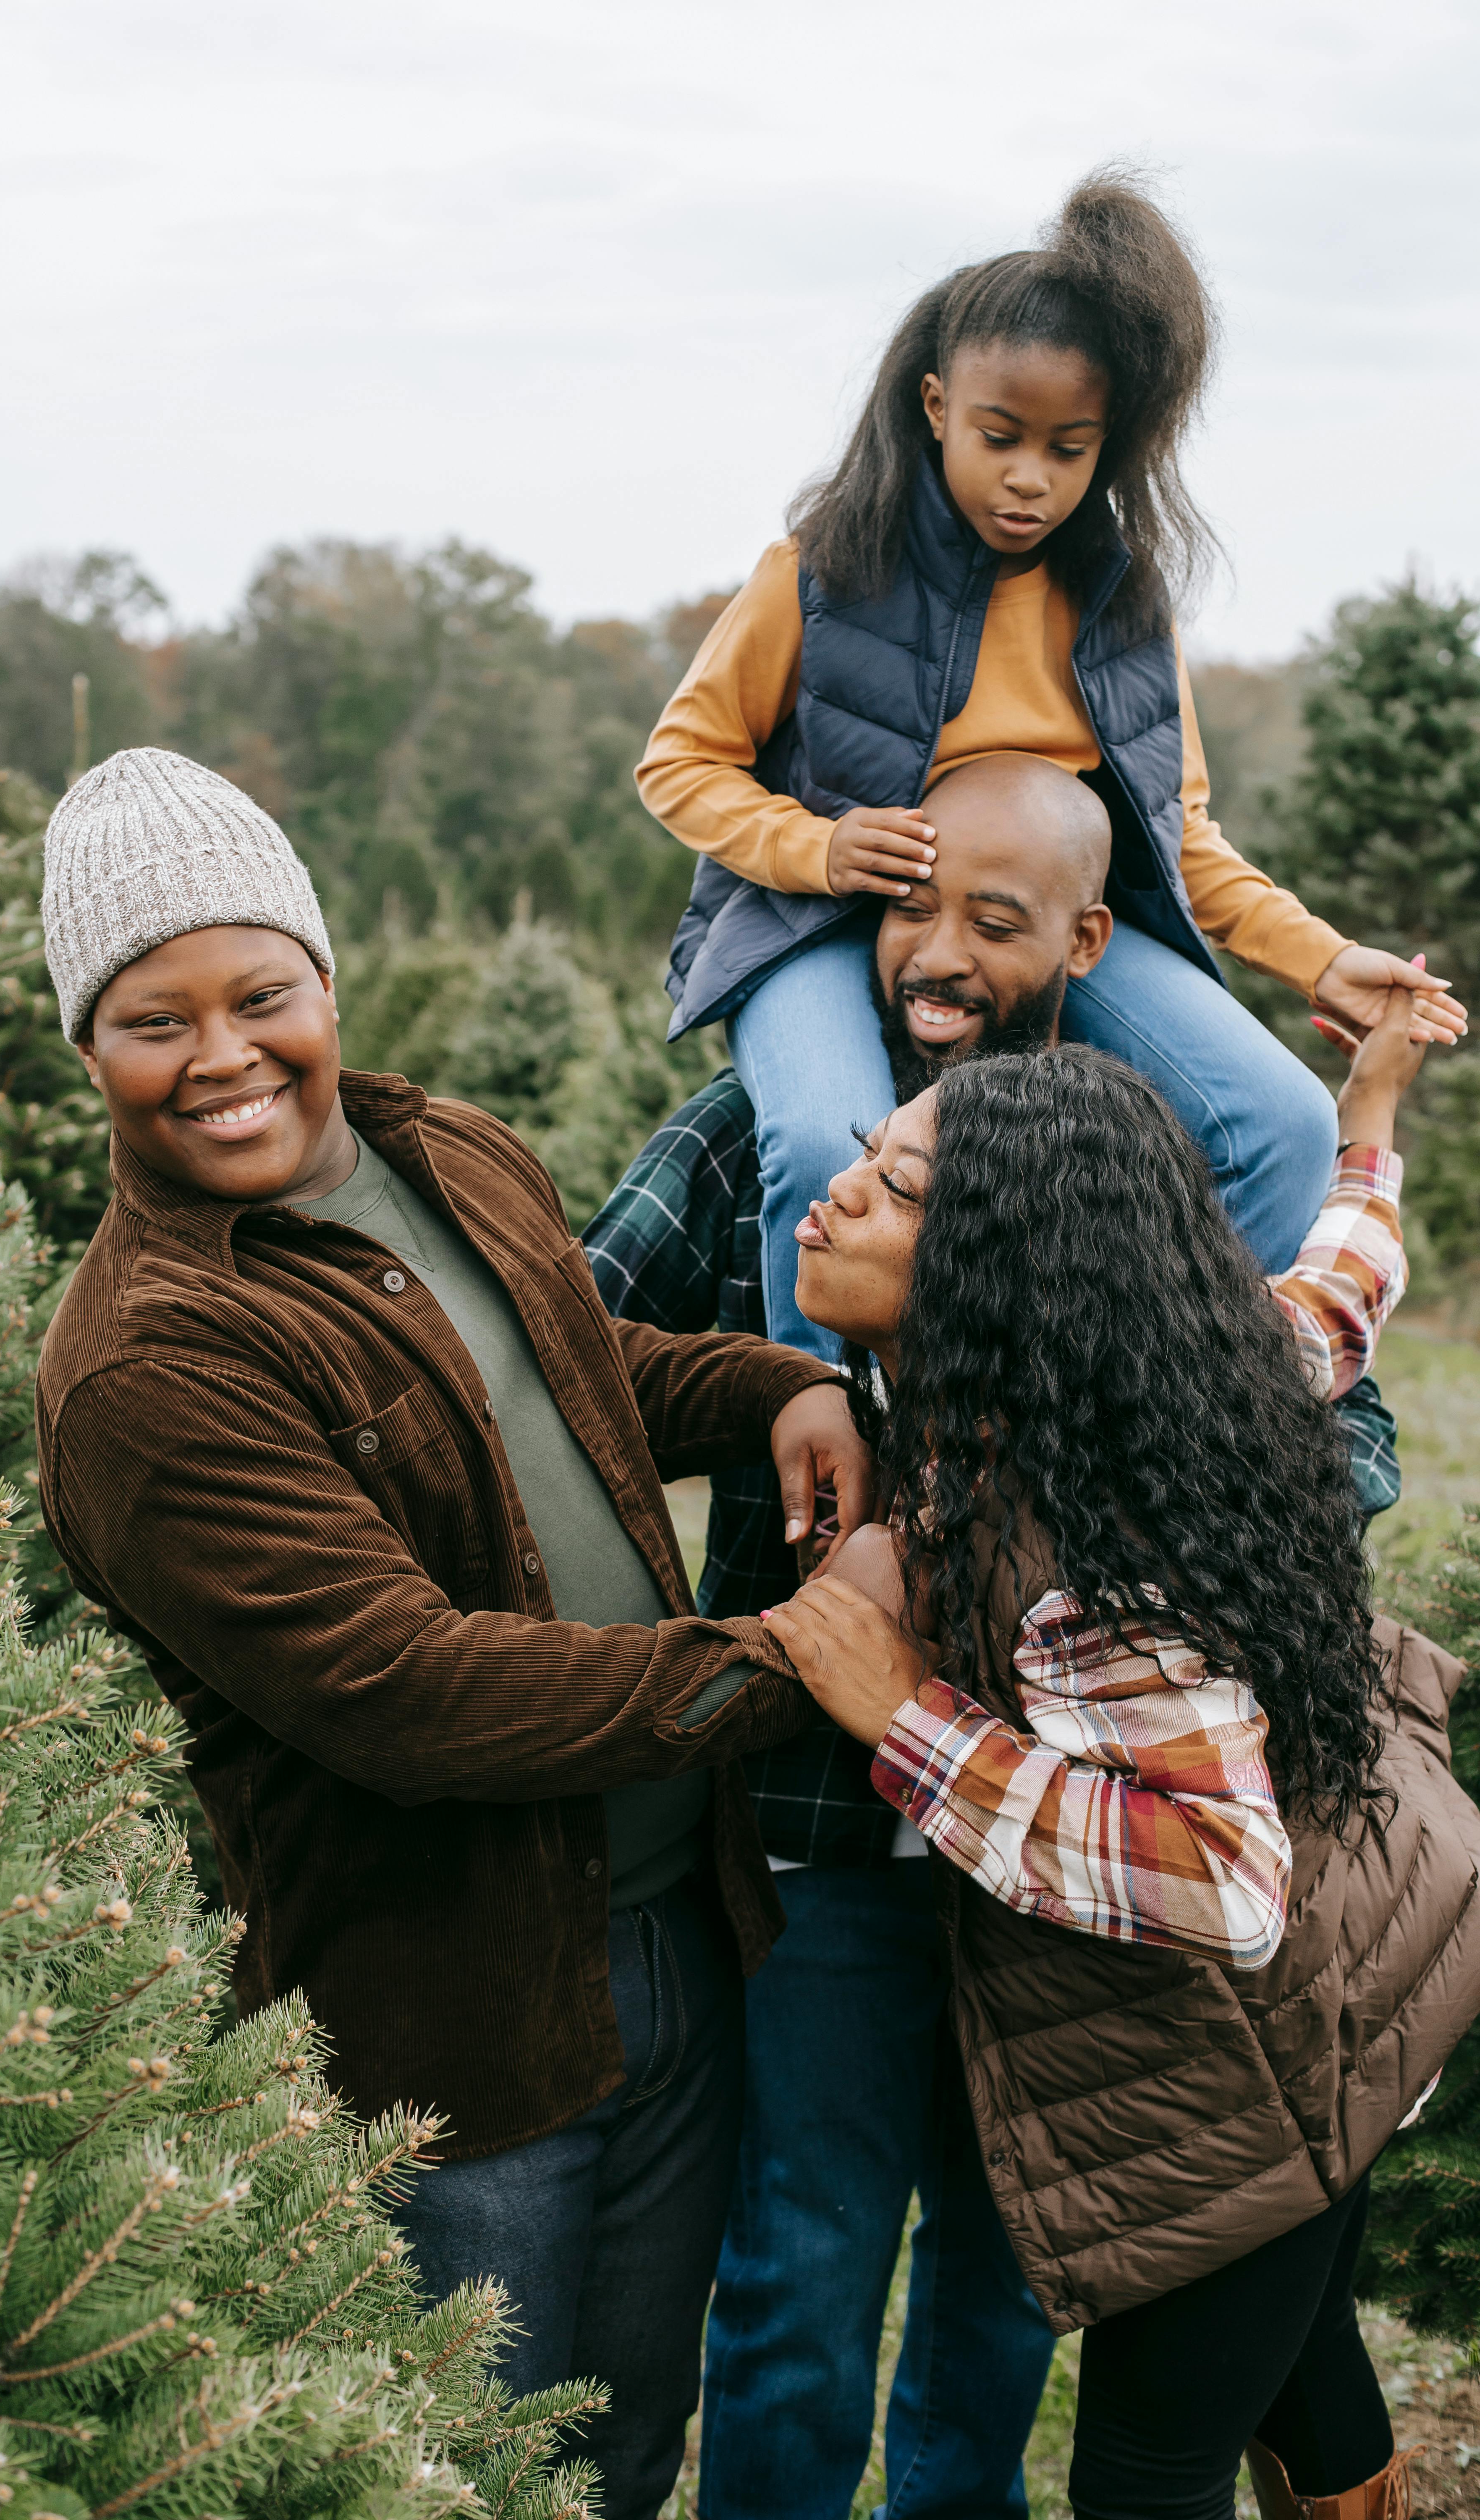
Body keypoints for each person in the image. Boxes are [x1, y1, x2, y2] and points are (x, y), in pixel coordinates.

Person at [32, 746, 881, 2520]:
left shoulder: (449, 1153)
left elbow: (578, 1373)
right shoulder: (147, 1364)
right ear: (84, 1046)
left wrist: (780, 1388)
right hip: (452, 2035)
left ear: (324, 981)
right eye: (151, 1020)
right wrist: (802, 1657)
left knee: (625, 2451)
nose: (224, 1057)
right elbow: (405, 1695)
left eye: (259, 994)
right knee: (457, 2484)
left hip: (671, 1937)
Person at [584, 751, 1397, 2520]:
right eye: (907, 902)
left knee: (1006, 2266)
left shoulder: (1101, 1159)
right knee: (798, 2269)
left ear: (1083, 942)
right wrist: (779, 1387)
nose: (936, 953)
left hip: (1058, 1851)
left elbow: (1313, 1375)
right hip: (818, 1830)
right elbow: (573, 1359)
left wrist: (1166, 1520)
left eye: (995, 920)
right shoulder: (763, 1141)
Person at [762, 995, 1480, 2520]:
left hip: (1275, 2049)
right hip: (1378, 1976)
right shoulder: (1173, 1378)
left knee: (1147, 2473)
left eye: (894, 1192)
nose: (836, 1199)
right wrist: (1369, 1119)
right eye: (863, 1161)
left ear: (995, 1281)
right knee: (1300, 2366)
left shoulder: (1085, 1561)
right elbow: (1340, 1296)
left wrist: (906, 1715)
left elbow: (1225, 1882)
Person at [636, 170, 1466, 1361]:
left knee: (1281, 1120)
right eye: (1000, 438)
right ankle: (813, 1447)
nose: (1030, 477)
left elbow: (1177, 838)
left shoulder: (1124, 607)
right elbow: (682, 764)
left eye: (1068, 450)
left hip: (1041, 922)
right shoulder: (820, 571)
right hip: (815, 922)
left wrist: (1325, 961)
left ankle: (1182, 1434)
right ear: (935, 406)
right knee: (827, 1140)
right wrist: (817, 849)